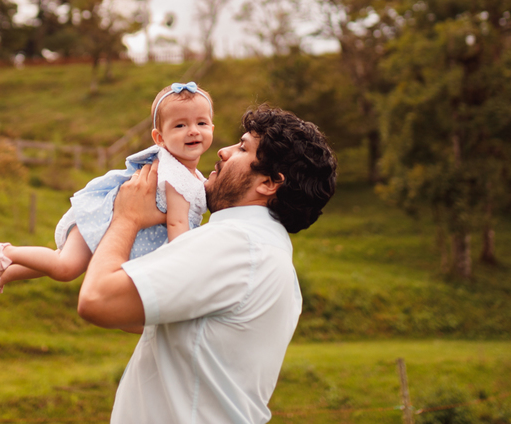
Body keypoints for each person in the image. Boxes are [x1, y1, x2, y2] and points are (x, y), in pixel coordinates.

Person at [78, 104, 337, 424]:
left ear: (269, 183)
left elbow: (97, 300)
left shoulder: (235, 244)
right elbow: (150, 321)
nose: (224, 152)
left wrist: (127, 217)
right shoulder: (265, 251)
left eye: (243, 147)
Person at [0, 82, 214, 316]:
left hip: (106, 222)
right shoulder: (176, 176)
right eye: (180, 125)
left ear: (212, 128)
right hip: (104, 217)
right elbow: (177, 225)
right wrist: (185, 264)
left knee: (62, 263)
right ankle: (3, 252)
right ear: (159, 137)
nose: (193, 130)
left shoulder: (190, 175)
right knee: (65, 267)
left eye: (201, 122)